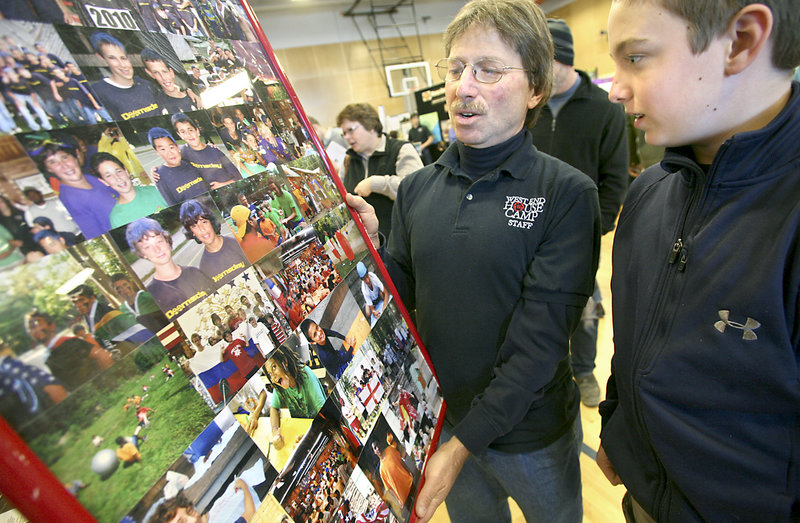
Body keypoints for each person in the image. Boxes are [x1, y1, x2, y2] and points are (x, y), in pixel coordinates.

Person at [346, 0, 600, 520]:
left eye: (488, 70)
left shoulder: (567, 194)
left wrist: (461, 446)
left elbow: (538, 346)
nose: (464, 86)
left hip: (531, 436)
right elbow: (403, 298)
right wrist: (369, 252)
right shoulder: (415, 190)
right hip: (445, 423)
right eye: (457, 68)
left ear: (534, 88)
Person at [596, 1, 800, 521]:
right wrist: (620, 425)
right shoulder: (649, 194)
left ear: (741, 40)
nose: (617, 88)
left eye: (636, 58)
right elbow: (633, 336)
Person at [528, 18, 629, 408]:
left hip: (580, 233)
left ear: (565, 60)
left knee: (586, 308)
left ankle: (584, 371)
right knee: (534, 306)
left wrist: (592, 230)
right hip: (528, 228)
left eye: (543, 63)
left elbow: (615, 182)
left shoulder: (604, 111)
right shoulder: (526, 107)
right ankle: (546, 372)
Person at [337, 103, 422, 239]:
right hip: (367, 247)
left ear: (370, 126)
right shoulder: (348, 160)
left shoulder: (401, 149)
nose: (347, 137)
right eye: (344, 133)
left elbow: (417, 189)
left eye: (351, 130)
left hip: (401, 244)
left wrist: (376, 183)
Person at [126, 217, 214, 320]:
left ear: (167, 241)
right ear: (142, 254)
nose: (157, 250)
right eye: (147, 247)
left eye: (159, 242)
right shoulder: (152, 295)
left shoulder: (195, 273)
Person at [35, 143, 117, 239]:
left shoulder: (89, 177)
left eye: (64, 157)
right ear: (48, 169)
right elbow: (95, 235)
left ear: (75, 157)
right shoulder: (70, 200)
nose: (64, 165)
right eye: (52, 162)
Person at [24, 309, 113, 391]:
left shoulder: (72, 342)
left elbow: (103, 356)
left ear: (51, 325)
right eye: (32, 327)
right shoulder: (47, 357)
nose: (36, 329)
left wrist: (109, 383)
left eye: (39, 324)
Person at [88, 32, 161, 121]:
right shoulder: (98, 91)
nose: (122, 65)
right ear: (102, 59)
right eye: (112, 58)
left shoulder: (145, 84)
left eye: (123, 58)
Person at [265, 344, 326, 450]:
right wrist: (275, 433)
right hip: (299, 430)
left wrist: (309, 437)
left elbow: (325, 414)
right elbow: (274, 408)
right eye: (270, 374)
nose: (273, 377)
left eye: (274, 367)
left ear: (284, 362)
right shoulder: (280, 387)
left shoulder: (306, 376)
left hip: (318, 428)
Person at [179, 199, 247, 285]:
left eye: (204, 222)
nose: (202, 229)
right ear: (192, 233)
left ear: (211, 221)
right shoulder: (204, 266)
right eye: (194, 226)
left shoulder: (236, 244)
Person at [91, 152, 167, 228]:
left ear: (126, 171)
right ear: (103, 181)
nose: (118, 178)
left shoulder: (156, 191)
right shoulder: (116, 217)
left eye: (118, 171)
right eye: (109, 176)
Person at [171, 113, 241, 188]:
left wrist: (222, 185)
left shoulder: (214, 151)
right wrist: (156, 172)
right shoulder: (182, 153)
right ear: (179, 135)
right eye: (183, 132)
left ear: (197, 131)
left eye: (190, 130)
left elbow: (238, 176)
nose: (188, 134)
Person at [148, 127, 212, 206]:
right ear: (157, 152)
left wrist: (211, 149)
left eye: (171, 147)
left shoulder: (189, 161)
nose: (170, 153)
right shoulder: (160, 177)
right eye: (163, 149)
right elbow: (172, 205)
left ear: (177, 146)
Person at [141, 49, 203, 113]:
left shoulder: (192, 97)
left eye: (164, 72)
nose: (163, 78)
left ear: (171, 72)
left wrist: (189, 90)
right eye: (156, 72)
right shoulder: (157, 104)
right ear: (150, 74)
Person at [371, 439, 414, 507]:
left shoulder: (390, 450)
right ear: (374, 452)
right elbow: (389, 488)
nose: (377, 448)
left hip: (409, 482)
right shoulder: (381, 470)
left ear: (380, 444)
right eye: (375, 448)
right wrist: (398, 500)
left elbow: (401, 461)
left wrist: (409, 471)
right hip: (403, 497)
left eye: (377, 445)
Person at [356, 261, 389, 326]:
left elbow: (386, 292)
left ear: (368, 273)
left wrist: (385, 305)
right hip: (372, 301)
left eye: (367, 276)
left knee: (383, 295)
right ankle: (366, 304)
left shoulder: (373, 276)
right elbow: (372, 309)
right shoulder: (364, 289)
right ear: (362, 279)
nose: (367, 280)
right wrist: (374, 313)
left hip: (378, 294)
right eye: (364, 279)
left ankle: (379, 297)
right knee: (368, 313)